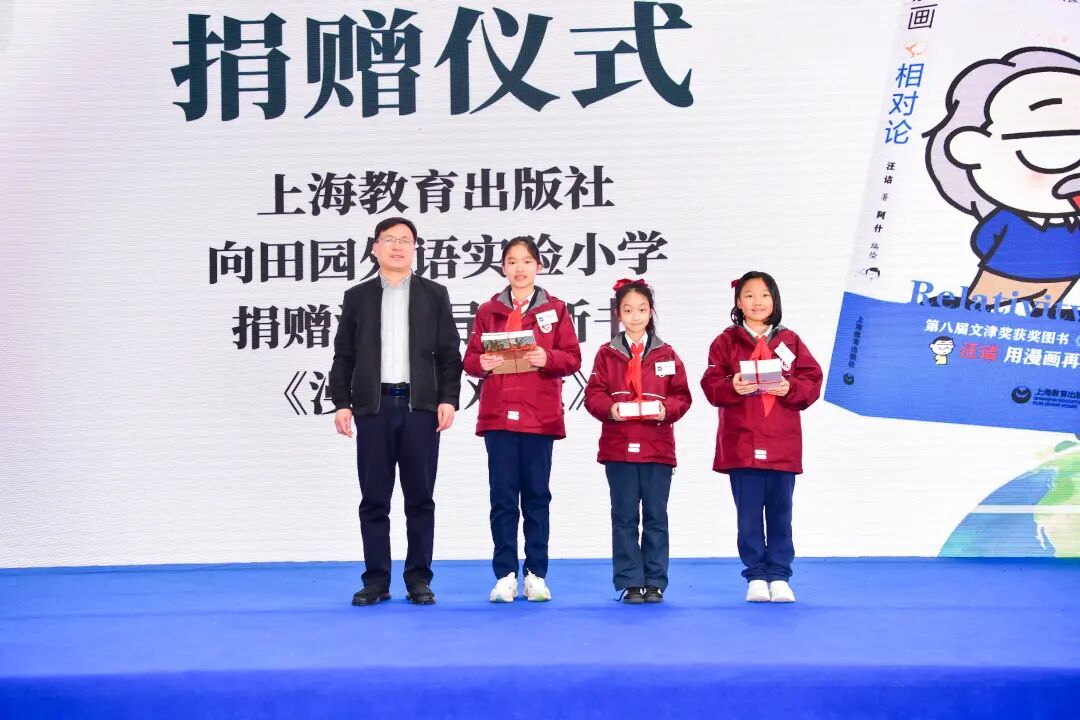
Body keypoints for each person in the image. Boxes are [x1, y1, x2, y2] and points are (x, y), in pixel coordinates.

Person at [329, 217, 462, 607]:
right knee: (374, 499)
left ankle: (418, 579)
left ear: (415, 249)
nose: (398, 246)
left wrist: (448, 399)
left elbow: (449, 354)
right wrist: (342, 403)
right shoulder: (358, 297)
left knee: (420, 499)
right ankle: (376, 580)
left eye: (406, 240)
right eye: (390, 239)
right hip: (374, 408)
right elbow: (344, 356)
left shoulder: (434, 294)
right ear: (375, 248)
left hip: (420, 407)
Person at [462, 237, 582, 603]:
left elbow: (572, 358)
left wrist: (548, 358)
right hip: (499, 417)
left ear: (539, 266)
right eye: (512, 261)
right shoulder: (488, 310)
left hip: (538, 417)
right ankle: (505, 575)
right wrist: (481, 363)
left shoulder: (556, 310)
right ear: (503, 267)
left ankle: (536, 574)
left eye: (527, 261)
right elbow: (469, 358)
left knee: (536, 498)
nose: (519, 268)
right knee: (502, 499)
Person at [700, 271, 822, 603]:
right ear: (738, 302)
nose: (757, 302)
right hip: (742, 443)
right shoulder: (725, 341)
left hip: (782, 442)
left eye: (765, 295)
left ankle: (780, 576)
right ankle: (755, 575)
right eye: (749, 295)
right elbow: (711, 384)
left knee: (782, 513)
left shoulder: (790, 341)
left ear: (774, 300)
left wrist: (789, 387)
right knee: (749, 516)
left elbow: (812, 380)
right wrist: (731, 386)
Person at [584, 278, 692, 604]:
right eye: (628, 310)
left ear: (651, 312)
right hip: (619, 449)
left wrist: (665, 409)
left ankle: (655, 581)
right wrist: (610, 408)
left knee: (656, 517)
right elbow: (593, 395)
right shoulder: (607, 354)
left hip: (657, 449)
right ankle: (631, 582)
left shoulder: (667, 353)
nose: (635, 316)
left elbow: (682, 396)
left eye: (642, 309)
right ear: (618, 314)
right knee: (624, 518)